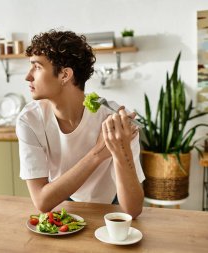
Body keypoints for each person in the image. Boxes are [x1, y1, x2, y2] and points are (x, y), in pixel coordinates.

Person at [16, 30, 145, 218]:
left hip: (112, 206)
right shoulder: (29, 120)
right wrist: (97, 154)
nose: (28, 76)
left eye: (37, 67)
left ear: (64, 75)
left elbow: (133, 210)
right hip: (63, 202)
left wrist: (120, 149)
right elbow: (42, 201)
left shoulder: (114, 121)